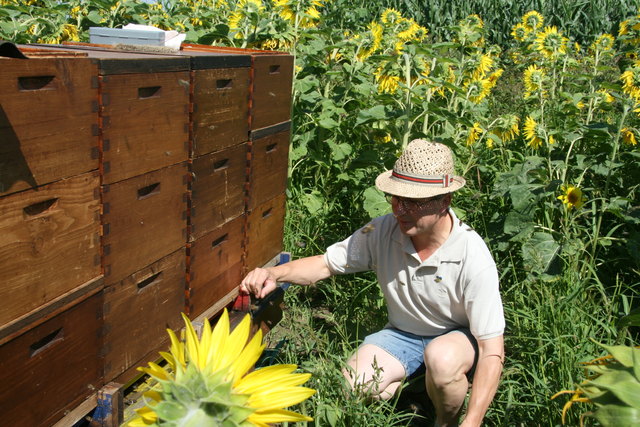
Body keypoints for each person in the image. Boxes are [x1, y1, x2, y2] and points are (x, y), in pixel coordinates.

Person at [240, 139, 505, 427]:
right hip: (403, 335)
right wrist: (275, 274)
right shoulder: (383, 231)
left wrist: (473, 420)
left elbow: (492, 350)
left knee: (441, 358)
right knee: (352, 383)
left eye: (413, 202)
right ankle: (414, 384)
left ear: (445, 202)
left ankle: (445, 419)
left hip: (456, 339)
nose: (400, 210)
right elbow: (324, 264)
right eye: (396, 198)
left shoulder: (471, 255)